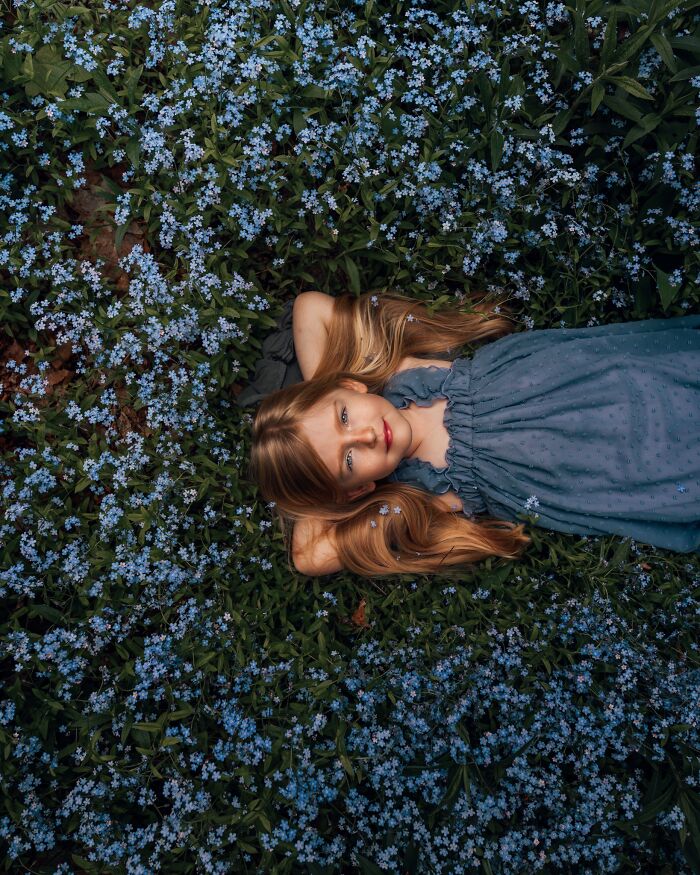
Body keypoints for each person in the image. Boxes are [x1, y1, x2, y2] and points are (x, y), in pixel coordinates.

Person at [247, 291, 700, 577]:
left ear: (349, 385)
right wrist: (325, 495)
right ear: (358, 489)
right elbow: (309, 556)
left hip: (585, 382)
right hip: (593, 472)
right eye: (348, 460)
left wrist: (322, 400)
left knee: (659, 380)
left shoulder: (397, 374)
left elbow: (310, 307)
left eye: (344, 417)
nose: (365, 437)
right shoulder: (414, 499)